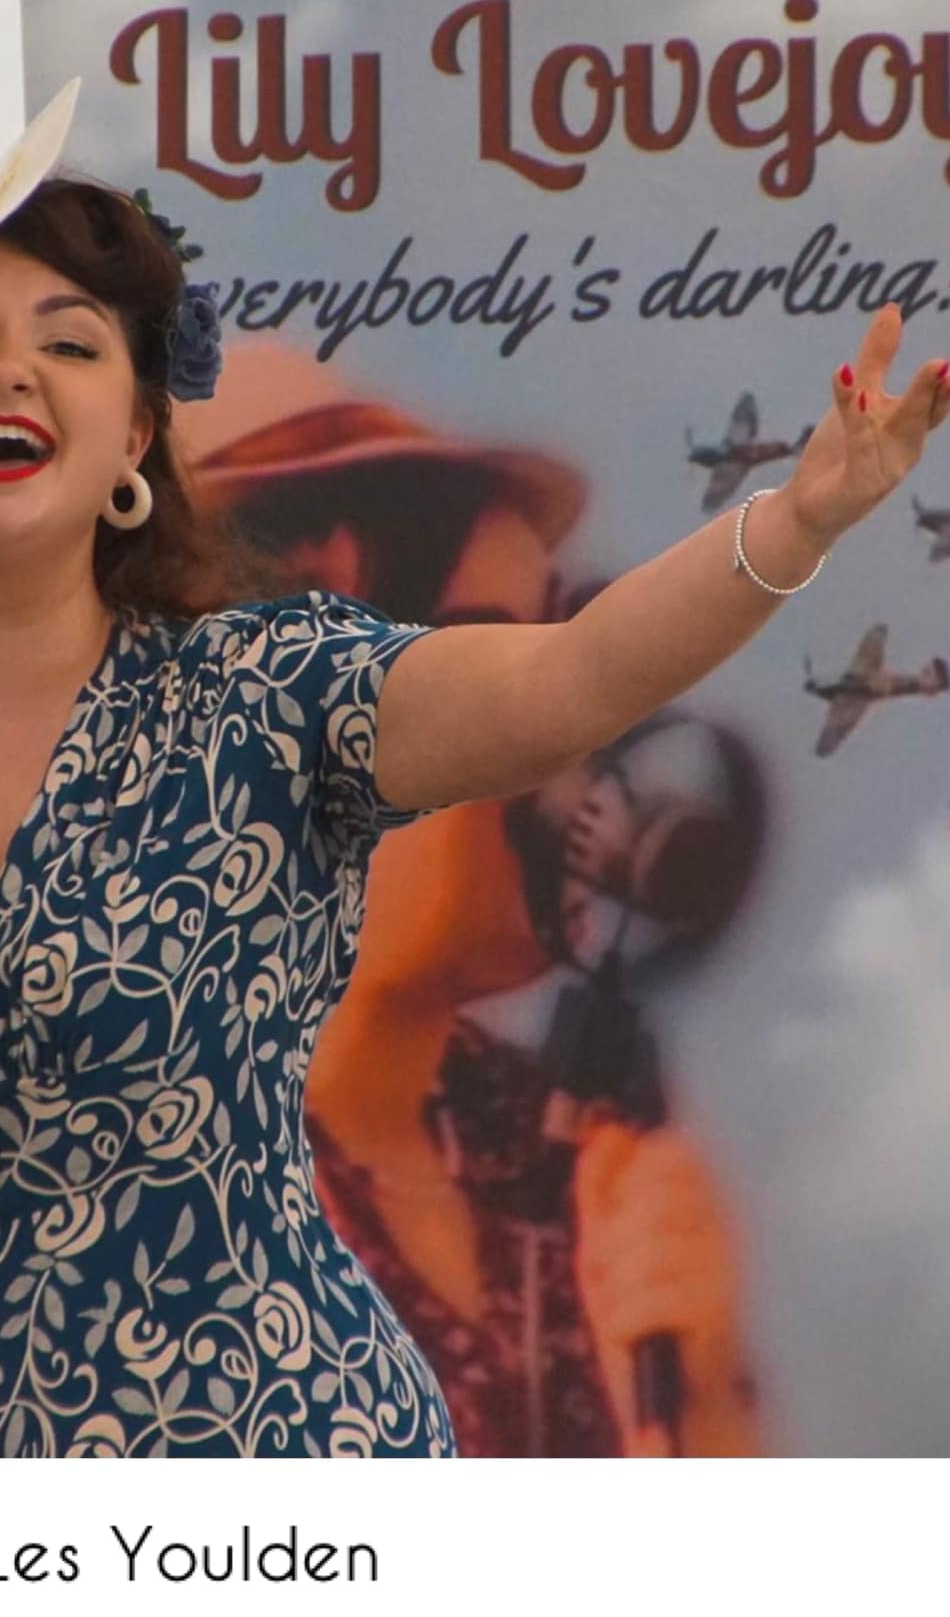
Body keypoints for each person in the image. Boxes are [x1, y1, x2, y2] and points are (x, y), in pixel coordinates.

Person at [0, 79, 950, 1458]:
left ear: (136, 444)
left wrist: (800, 520)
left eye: (72, 342)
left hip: (286, 1458)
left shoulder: (269, 694)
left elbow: (571, 680)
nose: (9, 370)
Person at [181, 345, 767, 1454]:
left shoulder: (559, 1147)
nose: (576, 725)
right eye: (502, 658)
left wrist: (704, 1405)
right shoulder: (111, 1162)